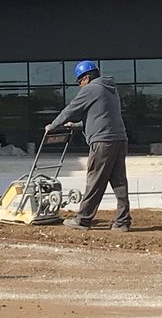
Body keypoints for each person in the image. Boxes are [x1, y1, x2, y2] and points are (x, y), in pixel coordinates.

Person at [46, 60, 132, 231]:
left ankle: (83, 219)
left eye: (79, 82)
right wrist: (75, 125)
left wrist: (52, 125)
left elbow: (71, 109)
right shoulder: (110, 89)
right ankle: (123, 222)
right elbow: (100, 117)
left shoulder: (91, 89)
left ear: (86, 78)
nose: (80, 86)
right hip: (119, 139)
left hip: (102, 142)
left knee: (95, 180)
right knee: (119, 181)